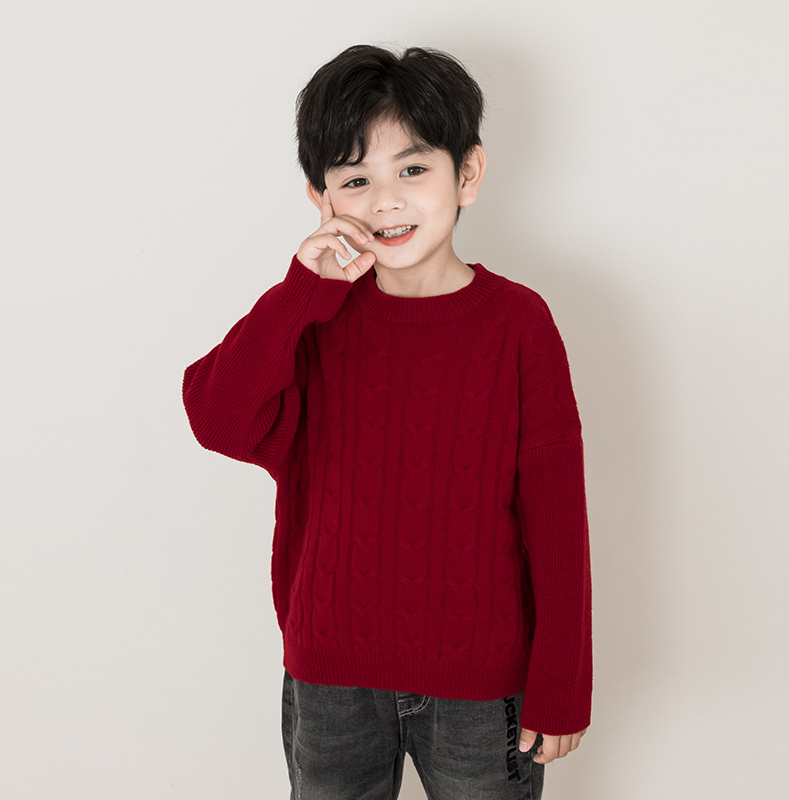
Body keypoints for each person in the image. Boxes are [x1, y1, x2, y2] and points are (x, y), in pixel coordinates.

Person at [183, 44, 591, 800]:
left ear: (467, 173)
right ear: (320, 197)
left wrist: (562, 679)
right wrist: (301, 291)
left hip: (483, 685)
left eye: (412, 170)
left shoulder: (519, 323)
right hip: (331, 679)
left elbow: (556, 519)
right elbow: (218, 419)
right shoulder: (313, 318)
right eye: (355, 180)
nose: (385, 202)